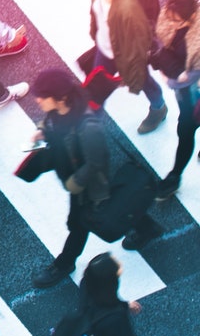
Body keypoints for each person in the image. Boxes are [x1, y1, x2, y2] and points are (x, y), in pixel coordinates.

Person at [25, 68, 160, 289]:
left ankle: (64, 263)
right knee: (113, 211)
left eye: (42, 96)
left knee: (79, 224)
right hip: (78, 177)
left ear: (61, 97)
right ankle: (147, 228)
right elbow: (55, 126)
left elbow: (96, 161)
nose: (38, 100)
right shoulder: (62, 110)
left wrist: (75, 183)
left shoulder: (88, 127)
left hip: (89, 186)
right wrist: (42, 131)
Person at [85, 0, 165, 131]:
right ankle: (90, 129)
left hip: (126, 56)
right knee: (96, 94)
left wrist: (129, 72)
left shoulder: (128, 9)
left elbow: (138, 45)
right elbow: (97, 15)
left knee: (144, 82)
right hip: (105, 49)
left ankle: (159, 108)